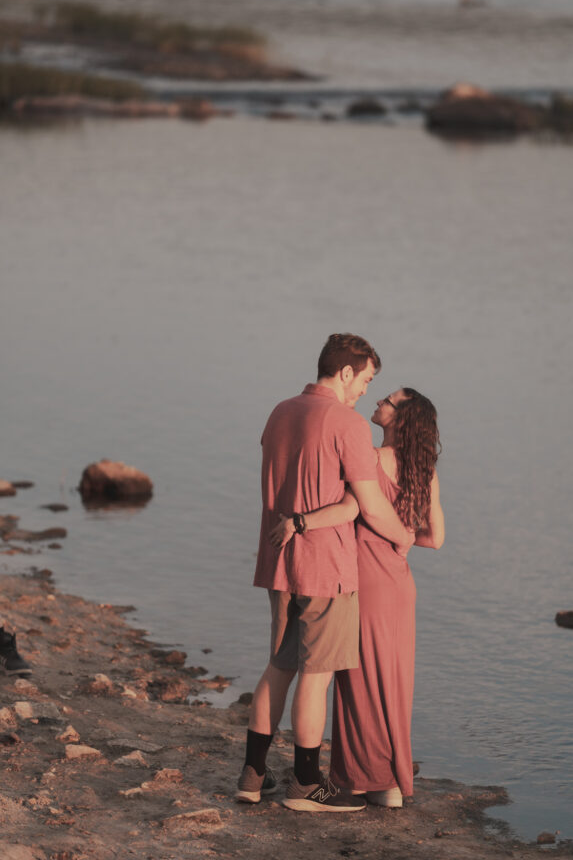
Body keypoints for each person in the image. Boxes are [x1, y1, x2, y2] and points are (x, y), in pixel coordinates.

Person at [236, 334, 412, 813]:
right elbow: (369, 504)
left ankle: (252, 777)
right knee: (317, 675)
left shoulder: (279, 411)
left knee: (279, 666)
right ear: (346, 372)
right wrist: (404, 536)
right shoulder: (347, 423)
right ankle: (307, 783)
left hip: (277, 561)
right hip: (325, 565)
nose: (364, 391)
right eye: (366, 379)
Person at [271, 387, 444, 808]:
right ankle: (390, 783)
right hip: (400, 584)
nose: (379, 402)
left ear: (399, 419)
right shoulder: (426, 469)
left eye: (388, 401)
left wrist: (301, 523)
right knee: (394, 680)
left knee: (357, 679)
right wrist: (403, 540)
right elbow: (436, 538)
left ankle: (360, 780)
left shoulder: (369, 456)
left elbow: (357, 508)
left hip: (363, 575)